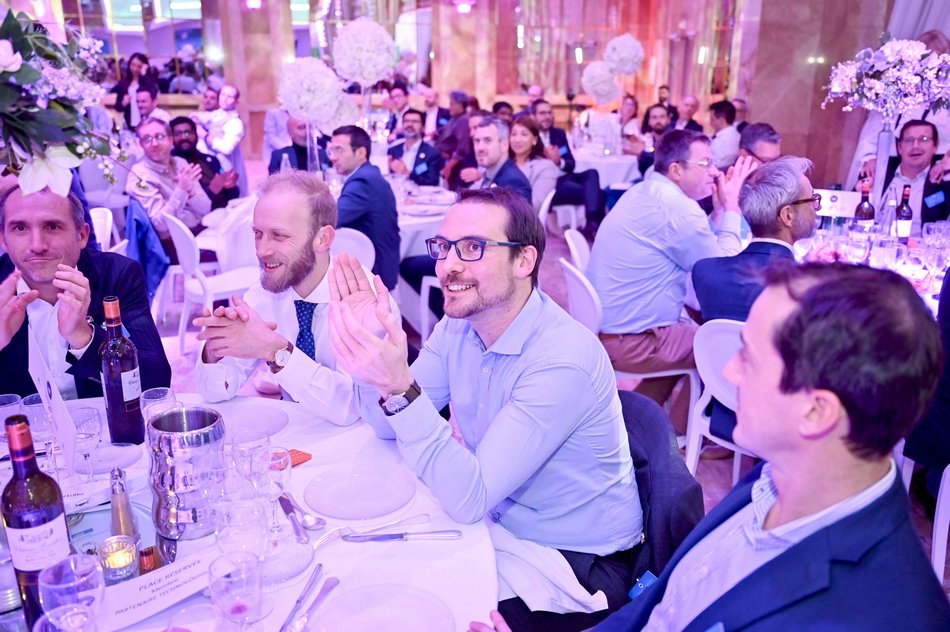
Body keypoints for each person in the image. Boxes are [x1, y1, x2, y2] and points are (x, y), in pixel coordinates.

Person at [477, 262, 950, 632]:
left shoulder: (877, 615)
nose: (728, 372)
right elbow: (659, 609)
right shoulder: (776, 479)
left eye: (749, 358)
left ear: (816, 412)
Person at [330, 187, 644, 631]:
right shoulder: (460, 326)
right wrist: (374, 349)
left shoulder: (562, 359)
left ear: (524, 260)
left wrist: (400, 386)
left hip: (576, 562)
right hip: (499, 522)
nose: (448, 265)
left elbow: (469, 498)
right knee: (371, 576)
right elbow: (386, 425)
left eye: (473, 247)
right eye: (444, 247)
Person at [586, 130, 752, 434]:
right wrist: (731, 210)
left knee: (688, 333)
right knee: (715, 345)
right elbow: (721, 273)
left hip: (610, 329)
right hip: (632, 341)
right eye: (705, 163)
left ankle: (639, 428)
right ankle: (683, 435)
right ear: (676, 170)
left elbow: (693, 245)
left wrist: (718, 212)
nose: (715, 172)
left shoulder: (645, 190)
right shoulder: (679, 209)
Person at [193, 172, 380, 424]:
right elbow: (215, 394)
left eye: (279, 236)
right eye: (258, 233)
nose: (261, 251)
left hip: (359, 440)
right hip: (295, 432)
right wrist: (216, 350)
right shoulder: (263, 294)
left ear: (322, 238)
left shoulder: (362, 300)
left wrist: (276, 350)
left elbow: (351, 408)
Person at [0, 186, 170, 399]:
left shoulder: (117, 275)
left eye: (52, 226)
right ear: (3, 240)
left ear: (81, 235)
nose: (37, 245)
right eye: (20, 228)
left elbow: (156, 383)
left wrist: (84, 337)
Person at [692, 156, 817, 441]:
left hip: (723, 408)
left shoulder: (706, 272)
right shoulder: (808, 289)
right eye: (812, 200)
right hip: (783, 424)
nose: (815, 208)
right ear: (787, 216)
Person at [127, 117, 212, 261]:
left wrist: (191, 193)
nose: (154, 143)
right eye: (147, 139)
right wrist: (182, 190)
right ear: (141, 144)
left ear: (171, 140)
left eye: (159, 137)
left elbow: (205, 209)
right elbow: (161, 225)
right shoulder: (139, 175)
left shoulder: (180, 163)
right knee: (233, 248)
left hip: (196, 232)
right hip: (172, 246)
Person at [330, 125, 400, 290]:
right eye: (331, 150)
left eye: (339, 150)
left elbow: (331, 218)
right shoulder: (368, 174)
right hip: (378, 263)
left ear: (361, 152)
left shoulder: (363, 181)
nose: (332, 157)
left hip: (373, 272)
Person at [872, 119, 950, 238]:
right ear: (899, 147)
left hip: (921, 247)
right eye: (909, 140)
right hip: (877, 243)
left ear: (936, 146)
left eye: (923, 139)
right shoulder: (879, 172)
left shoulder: (942, 180)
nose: (915, 146)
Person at [170, 116, 240, 211]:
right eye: (177, 134)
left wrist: (228, 188)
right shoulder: (170, 164)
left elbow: (232, 195)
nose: (183, 137)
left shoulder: (210, 160)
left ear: (196, 135)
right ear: (171, 138)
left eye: (188, 133)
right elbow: (180, 204)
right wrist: (211, 191)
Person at [193, 84, 248, 196]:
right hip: (209, 164)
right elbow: (198, 116)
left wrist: (205, 136)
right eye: (223, 95)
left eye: (229, 96)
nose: (225, 99)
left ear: (236, 102)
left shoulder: (235, 122)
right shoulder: (217, 114)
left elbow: (226, 148)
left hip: (224, 166)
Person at [467, 118, 533, 204]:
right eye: (477, 141)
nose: (480, 148)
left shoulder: (513, 183)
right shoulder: (490, 175)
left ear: (504, 145)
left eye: (487, 140)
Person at [510, 117, 561, 212]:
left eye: (524, 134)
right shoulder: (505, 165)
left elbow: (536, 205)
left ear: (534, 139)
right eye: (513, 134)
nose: (517, 139)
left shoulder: (545, 167)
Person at [387, 109, 443, 187]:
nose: (409, 124)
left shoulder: (432, 154)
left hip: (421, 193)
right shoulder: (393, 151)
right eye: (406, 121)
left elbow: (432, 181)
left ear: (423, 127)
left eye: (415, 122)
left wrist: (407, 173)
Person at [436, 90, 472, 187]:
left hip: (456, 167)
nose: (449, 107)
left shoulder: (464, 120)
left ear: (460, 104)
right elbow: (445, 130)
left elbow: (462, 150)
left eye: (452, 104)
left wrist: (448, 167)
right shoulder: (455, 118)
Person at [531, 100, 576, 174]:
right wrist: (545, 157)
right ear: (533, 117)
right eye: (542, 113)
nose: (547, 117)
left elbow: (571, 163)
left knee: (592, 173)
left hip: (561, 174)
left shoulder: (559, 134)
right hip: (541, 176)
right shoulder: (530, 135)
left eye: (549, 113)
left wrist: (559, 162)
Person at [111, 52, 149, 130]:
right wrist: (123, 103)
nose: (135, 69)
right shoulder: (123, 83)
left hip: (146, 122)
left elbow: (152, 92)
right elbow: (118, 107)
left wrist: (144, 75)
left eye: (139, 66)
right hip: (129, 123)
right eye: (133, 65)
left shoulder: (147, 82)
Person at [638, 103, 673, 174]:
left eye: (662, 117)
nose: (658, 121)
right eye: (654, 117)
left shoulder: (675, 141)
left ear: (668, 119)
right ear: (649, 121)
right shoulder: (644, 140)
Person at [708, 100, 741, 169]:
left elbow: (712, 166)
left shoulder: (720, 141)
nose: (710, 123)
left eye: (712, 119)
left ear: (721, 120)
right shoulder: (738, 136)